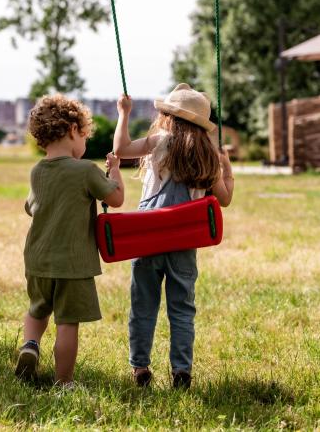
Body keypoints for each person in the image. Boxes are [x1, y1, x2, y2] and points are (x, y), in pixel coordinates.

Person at [113, 83, 234, 389]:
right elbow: (226, 198)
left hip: (148, 236)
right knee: (182, 308)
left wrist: (123, 114)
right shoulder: (207, 153)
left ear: (168, 116)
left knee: (143, 304)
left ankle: (140, 367)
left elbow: (121, 150)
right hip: (183, 242)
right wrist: (227, 169)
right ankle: (181, 369)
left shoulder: (160, 141)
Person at [15, 94, 124, 385]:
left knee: (37, 310)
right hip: (72, 265)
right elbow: (116, 198)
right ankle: (64, 382)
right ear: (73, 130)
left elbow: (30, 207)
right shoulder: (86, 170)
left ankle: (30, 345)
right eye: (85, 136)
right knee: (67, 323)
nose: (85, 143)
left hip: (37, 261)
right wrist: (114, 170)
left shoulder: (37, 170)